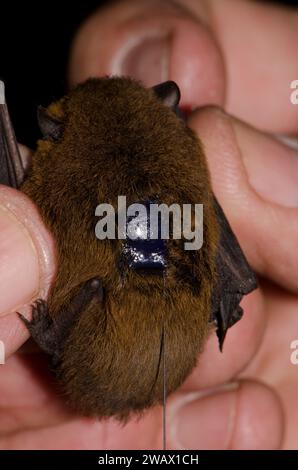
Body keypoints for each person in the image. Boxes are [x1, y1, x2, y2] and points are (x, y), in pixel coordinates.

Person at [0, 0, 297, 450]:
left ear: (55, 132)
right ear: (165, 106)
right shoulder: (184, 159)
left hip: (107, 355)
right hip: (148, 353)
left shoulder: (57, 174)